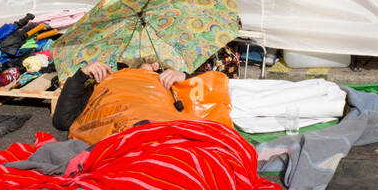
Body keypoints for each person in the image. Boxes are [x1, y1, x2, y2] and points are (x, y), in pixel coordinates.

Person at [51, 45, 241, 132]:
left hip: (157, 137)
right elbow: (63, 120)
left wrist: (185, 78)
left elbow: (211, 101)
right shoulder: (108, 82)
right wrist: (82, 75)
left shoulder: (169, 82)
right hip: (121, 139)